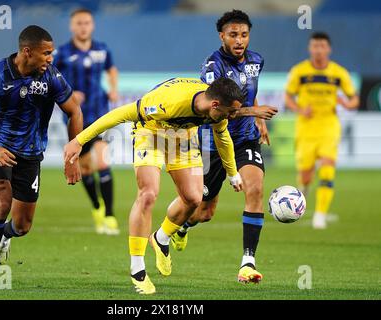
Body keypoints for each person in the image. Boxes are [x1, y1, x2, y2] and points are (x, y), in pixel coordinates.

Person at [64, 77, 245, 294]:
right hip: (150, 131)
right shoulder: (166, 103)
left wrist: (233, 173)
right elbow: (120, 114)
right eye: (231, 112)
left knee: (194, 198)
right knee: (148, 194)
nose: (233, 116)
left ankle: (161, 238)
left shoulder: (218, 109)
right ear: (215, 105)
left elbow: (222, 137)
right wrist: (79, 140)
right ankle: (137, 268)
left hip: (182, 137)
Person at [0, 25, 83, 289]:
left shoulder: (51, 77)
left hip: (30, 155)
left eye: (52, 53)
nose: (50, 58)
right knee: (1, 203)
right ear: (27, 51)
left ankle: (5, 235)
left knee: (23, 225)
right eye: (46, 53)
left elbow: (75, 111)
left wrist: (73, 156)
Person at [170, 10, 278, 284]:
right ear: (222, 36)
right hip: (213, 142)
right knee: (203, 212)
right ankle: (182, 226)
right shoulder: (212, 66)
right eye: (233, 35)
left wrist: (256, 118)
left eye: (244, 34)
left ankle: (248, 262)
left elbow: (248, 92)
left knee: (255, 187)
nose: (239, 40)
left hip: (244, 139)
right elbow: (215, 109)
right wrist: (255, 110)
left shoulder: (256, 60)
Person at [53, 8, 120, 235]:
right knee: (85, 168)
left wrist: (113, 90)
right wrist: (68, 94)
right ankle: (97, 207)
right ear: (72, 26)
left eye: (87, 23)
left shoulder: (102, 50)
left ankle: (110, 215)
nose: (83, 27)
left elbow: (112, 69)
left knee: (102, 162)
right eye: (79, 23)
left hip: (100, 113)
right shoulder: (62, 53)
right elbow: (51, 77)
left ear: (92, 26)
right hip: (75, 117)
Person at [285, 32, 359, 229]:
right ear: (310, 48)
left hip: (329, 127)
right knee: (306, 174)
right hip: (306, 128)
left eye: (322, 46)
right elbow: (288, 98)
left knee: (327, 168)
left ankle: (320, 215)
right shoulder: (299, 72)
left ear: (329, 49)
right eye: (315, 46)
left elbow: (354, 100)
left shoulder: (339, 73)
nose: (318, 50)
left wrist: (346, 103)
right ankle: (303, 191)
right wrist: (300, 109)